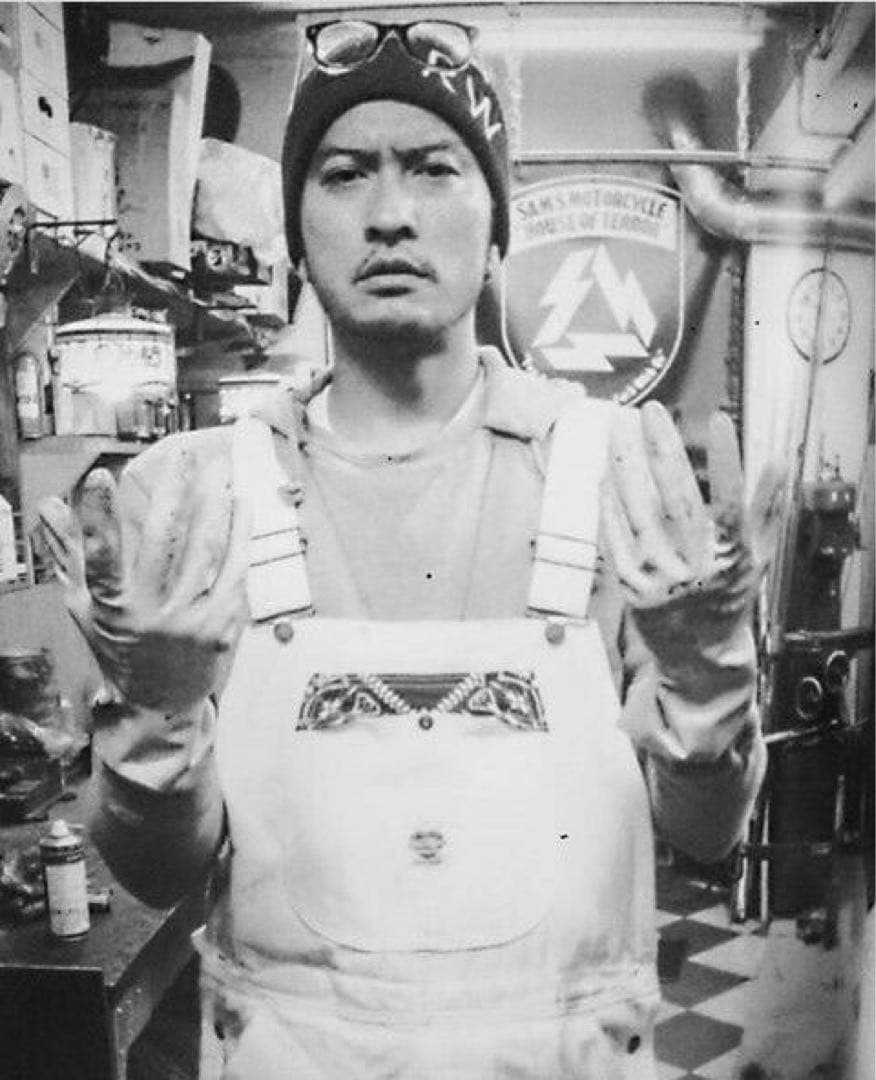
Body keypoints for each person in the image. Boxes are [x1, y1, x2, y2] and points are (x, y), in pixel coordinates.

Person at [39, 20, 783, 1080]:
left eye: (435, 168)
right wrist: (156, 716)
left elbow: (707, 834)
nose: (390, 213)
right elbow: (159, 876)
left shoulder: (616, 475)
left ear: (497, 232)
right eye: (344, 174)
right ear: (298, 235)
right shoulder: (196, 500)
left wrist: (710, 677)